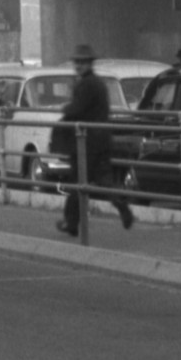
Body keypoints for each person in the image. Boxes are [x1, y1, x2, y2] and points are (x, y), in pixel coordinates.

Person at [55, 44, 133, 234]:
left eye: (82, 62)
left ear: (89, 63)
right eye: (77, 62)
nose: (79, 65)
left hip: (86, 142)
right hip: (101, 139)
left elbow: (77, 109)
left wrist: (64, 109)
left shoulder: (86, 84)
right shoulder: (97, 83)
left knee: (77, 182)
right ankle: (123, 207)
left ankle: (71, 223)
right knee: (104, 180)